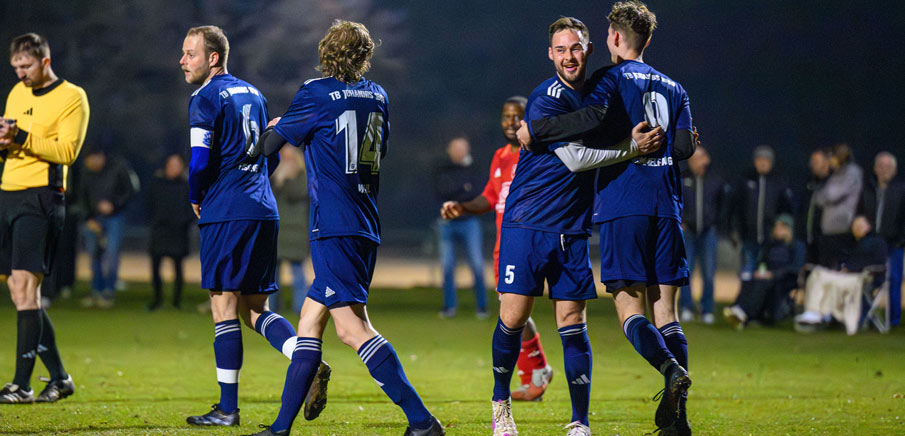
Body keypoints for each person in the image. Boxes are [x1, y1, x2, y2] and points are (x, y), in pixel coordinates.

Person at [248, 20, 444, 436]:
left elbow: (269, 147)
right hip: (364, 220)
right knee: (309, 323)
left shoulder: (315, 93)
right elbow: (374, 149)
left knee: (352, 329)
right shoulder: (378, 95)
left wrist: (277, 126)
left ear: (326, 54)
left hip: (334, 224)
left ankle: (422, 421)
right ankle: (280, 428)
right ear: (365, 56)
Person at [516, 3, 701, 434]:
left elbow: (592, 117)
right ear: (648, 39)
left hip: (624, 205)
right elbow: (685, 146)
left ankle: (671, 370)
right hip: (668, 205)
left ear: (614, 38)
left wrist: (536, 129)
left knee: (628, 309)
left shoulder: (609, 78)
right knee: (667, 313)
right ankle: (679, 422)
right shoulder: (675, 87)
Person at [491, 16, 663, 436]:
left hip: (571, 228)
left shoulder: (600, 90)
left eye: (575, 48)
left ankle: (579, 422)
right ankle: (501, 406)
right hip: (528, 222)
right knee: (513, 317)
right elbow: (575, 159)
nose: (569, 56)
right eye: (561, 49)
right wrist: (632, 148)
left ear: (588, 49)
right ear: (551, 54)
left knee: (572, 321)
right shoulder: (545, 98)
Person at [179, 25, 314, 427]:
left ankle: (227, 409)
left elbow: (199, 159)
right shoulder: (254, 94)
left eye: (190, 54)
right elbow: (270, 154)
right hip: (263, 208)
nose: (182, 61)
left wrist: (196, 194)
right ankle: (305, 359)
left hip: (227, 210)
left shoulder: (204, 97)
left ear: (213, 58)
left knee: (223, 306)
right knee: (254, 308)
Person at [440, 96, 554, 402]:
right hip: (504, 248)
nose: (511, 122)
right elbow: (490, 197)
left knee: (518, 314)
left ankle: (537, 373)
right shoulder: (501, 156)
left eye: (517, 116)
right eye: (506, 116)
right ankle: (536, 372)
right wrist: (462, 206)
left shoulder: (539, 153)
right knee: (511, 312)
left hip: (529, 243)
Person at [0, 32, 88, 404]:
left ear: (45, 62)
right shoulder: (17, 93)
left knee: (25, 287)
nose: (20, 73)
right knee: (21, 291)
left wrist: (20, 135)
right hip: (8, 194)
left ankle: (21, 384)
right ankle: (60, 377)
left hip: (41, 197)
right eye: (16, 67)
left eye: (26, 66)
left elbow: (67, 152)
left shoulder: (72, 96)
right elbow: (11, 141)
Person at [795, 215, 887, 334]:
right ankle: (814, 313)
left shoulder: (877, 242)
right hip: (844, 275)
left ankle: (817, 313)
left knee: (822, 277)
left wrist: (850, 267)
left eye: (860, 226)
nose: (857, 228)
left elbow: (877, 262)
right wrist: (841, 266)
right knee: (817, 273)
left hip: (861, 277)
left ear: (868, 227)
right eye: (855, 226)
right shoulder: (852, 242)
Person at [77, 146, 139, 309]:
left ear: (101, 156)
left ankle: (108, 291)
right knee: (94, 254)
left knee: (111, 253)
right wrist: (88, 217)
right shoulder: (86, 171)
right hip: (93, 219)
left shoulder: (119, 166)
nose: (90, 164)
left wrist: (114, 205)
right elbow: (82, 196)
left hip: (115, 218)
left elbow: (131, 191)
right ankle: (96, 291)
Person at [435, 136, 488, 318]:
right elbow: (442, 191)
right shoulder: (442, 169)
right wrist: (463, 189)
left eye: (462, 149)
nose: (459, 152)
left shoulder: (474, 170)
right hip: (447, 222)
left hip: (469, 221)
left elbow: (477, 193)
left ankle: (482, 307)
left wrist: (458, 193)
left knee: (477, 264)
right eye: (455, 148)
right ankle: (449, 306)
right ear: (449, 150)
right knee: (447, 266)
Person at [724, 214, 805, 329]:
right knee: (749, 280)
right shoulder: (770, 245)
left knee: (762, 284)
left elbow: (794, 267)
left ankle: (744, 313)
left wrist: (773, 274)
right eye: (777, 227)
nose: (778, 230)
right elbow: (762, 262)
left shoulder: (796, 246)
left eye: (782, 228)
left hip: (785, 278)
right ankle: (737, 308)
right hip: (767, 276)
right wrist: (760, 271)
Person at [679, 146, 729, 324]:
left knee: (708, 272)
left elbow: (723, 204)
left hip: (708, 232)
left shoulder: (715, 179)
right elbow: (673, 201)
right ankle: (686, 308)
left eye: (700, 158)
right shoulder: (682, 177)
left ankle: (707, 309)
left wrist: (716, 224)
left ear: (706, 159)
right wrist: (680, 221)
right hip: (688, 232)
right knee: (685, 272)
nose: (697, 162)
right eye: (694, 158)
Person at [730, 145, 796, 279]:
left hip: (770, 240)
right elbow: (735, 207)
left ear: (771, 163)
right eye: (760, 159)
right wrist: (735, 229)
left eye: (767, 160)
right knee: (747, 273)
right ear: (755, 161)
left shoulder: (779, 182)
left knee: (765, 275)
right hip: (748, 237)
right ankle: (746, 292)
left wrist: (781, 229)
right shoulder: (745, 180)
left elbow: (787, 209)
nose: (763, 163)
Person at [857, 151, 904, 327]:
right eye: (881, 166)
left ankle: (893, 320)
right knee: (865, 279)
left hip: (893, 244)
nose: (884, 170)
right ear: (875, 168)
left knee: (893, 279)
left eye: (888, 166)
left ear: (895, 170)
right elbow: (859, 214)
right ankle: (863, 316)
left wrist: (900, 240)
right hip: (870, 243)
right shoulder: (867, 190)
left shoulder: (901, 190)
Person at [146, 153, 195, 311]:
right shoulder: (156, 184)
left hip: (178, 232)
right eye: (171, 165)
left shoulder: (186, 186)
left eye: (177, 165)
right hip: (160, 230)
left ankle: (176, 301)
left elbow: (193, 208)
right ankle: (157, 299)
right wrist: (155, 220)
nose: (174, 168)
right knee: (155, 266)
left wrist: (184, 221)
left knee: (178, 267)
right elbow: (148, 205)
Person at [270, 145, 310, 314]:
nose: (287, 162)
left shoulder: (303, 177)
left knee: (298, 273)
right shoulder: (273, 177)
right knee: (272, 275)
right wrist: (277, 180)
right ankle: (271, 308)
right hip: (277, 231)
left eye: (290, 158)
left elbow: (296, 193)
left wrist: (285, 180)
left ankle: (300, 307)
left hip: (296, 233)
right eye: (284, 158)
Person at [813, 143, 863, 269]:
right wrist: (823, 195)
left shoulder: (851, 172)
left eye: (830, 157)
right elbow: (818, 199)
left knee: (838, 270)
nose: (828, 161)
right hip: (829, 231)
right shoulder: (835, 174)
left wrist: (823, 195)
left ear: (839, 156)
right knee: (826, 269)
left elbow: (831, 195)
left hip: (842, 230)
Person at [800, 148, 831, 263]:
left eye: (816, 162)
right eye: (812, 162)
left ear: (827, 163)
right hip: (808, 240)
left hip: (827, 241)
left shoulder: (834, 183)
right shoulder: (809, 184)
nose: (813, 165)